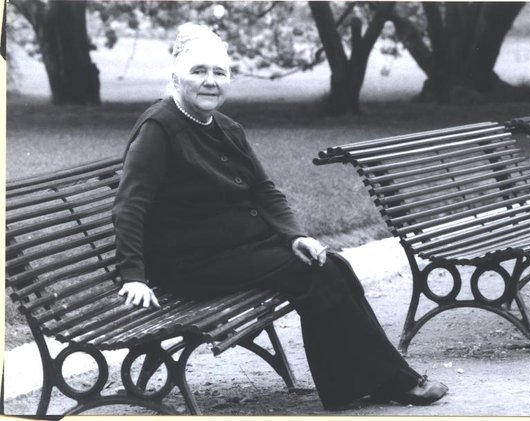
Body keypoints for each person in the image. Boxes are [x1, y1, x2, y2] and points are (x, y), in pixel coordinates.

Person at [112, 22, 448, 411]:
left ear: (230, 79)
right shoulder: (160, 127)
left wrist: (294, 236)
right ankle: (388, 382)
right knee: (315, 274)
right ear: (176, 77)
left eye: (219, 73)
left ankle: (362, 383)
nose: (210, 81)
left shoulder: (225, 127)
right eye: (198, 72)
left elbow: (263, 189)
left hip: (233, 248)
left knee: (329, 264)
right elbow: (130, 204)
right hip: (190, 263)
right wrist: (133, 276)